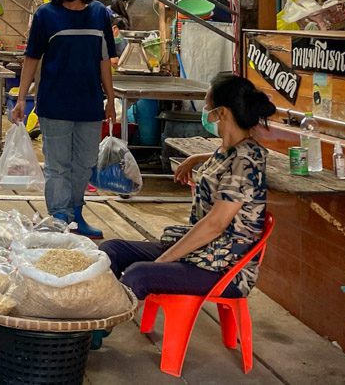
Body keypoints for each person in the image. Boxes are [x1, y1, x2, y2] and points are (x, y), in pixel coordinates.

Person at [100, 73, 275, 300]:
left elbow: (215, 224)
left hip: (225, 269)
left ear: (222, 113)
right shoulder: (229, 149)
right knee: (111, 250)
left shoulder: (245, 161)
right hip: (201, 252)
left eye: (208, 106)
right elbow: (225, 161)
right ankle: (100, 313)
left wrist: (164, 261)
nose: (206, 113)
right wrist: (195, 159)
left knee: (138, 275)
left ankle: (98, 327)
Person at [10, 0, 116, 237]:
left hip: (90, 103)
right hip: (54, 103)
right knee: (58, 166)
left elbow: (104, 60)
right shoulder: (45, 15)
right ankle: (58, 218)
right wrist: (22, 98)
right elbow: (31, 58)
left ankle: (76, 215)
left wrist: (111, 99)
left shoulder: (100, 15)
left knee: (84, 164)